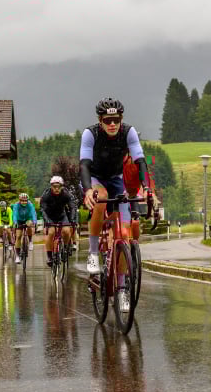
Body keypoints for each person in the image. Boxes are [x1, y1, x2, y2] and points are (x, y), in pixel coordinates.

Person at [80, 98, 152, 275]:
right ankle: (93, 252)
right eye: (107, 120)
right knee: (101, 197)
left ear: (121, 119)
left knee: (125, 235)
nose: (112, 124)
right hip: (95, 178)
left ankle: (121, 285)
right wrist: (88, 190)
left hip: (116, 178)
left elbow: (140, 161)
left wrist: (147, 188)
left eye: (116, 120)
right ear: (100, 121)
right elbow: (84, 164)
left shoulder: (129, 132)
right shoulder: (90, 134)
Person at [40, 175, 76, 267]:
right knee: (51, 232)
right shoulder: (46, 195)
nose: (56, 189)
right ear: (51, 186)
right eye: (54, 186)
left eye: (58, 187)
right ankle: (49, 256)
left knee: (66, 231)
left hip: (61, 216)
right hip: (50, 216)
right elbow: (43, 209)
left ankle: (65, 248)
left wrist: (72, 219)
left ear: (62, 187)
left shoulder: (66, 194)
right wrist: (47, 220)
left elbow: (72, 207)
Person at [11, 193, 38, 263]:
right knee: (18, 236)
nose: (24, 202)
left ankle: (30, 241)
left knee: (29, 225)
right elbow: (14, 214)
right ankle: (17, 256)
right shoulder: (16, 205)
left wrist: (35, 222)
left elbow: (33, 213)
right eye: (22, 201)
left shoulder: (30, 205)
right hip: (19, 220)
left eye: (25, 201)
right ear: (19, 200)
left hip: (28, 218)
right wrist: (15, 222)